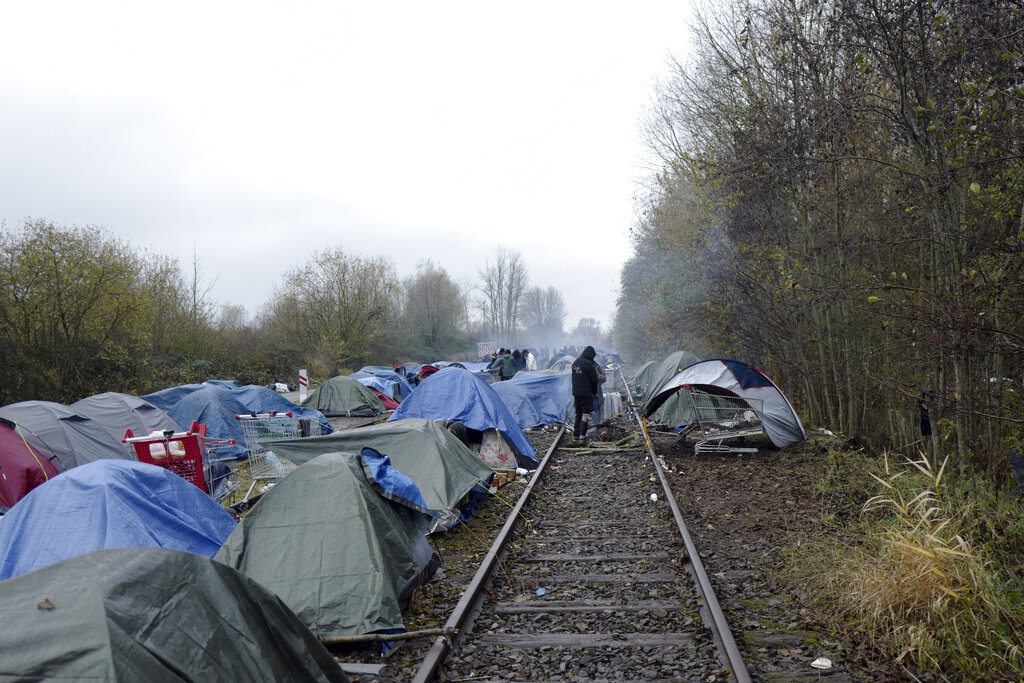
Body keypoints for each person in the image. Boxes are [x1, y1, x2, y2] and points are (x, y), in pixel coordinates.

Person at [571, 345, 600, 443]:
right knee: (586, 414)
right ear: (591, 355)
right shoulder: (589, 364)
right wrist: (595, 392)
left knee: (578, 414)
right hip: (586, 394)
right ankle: (582, 437)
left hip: (576, 393)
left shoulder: (576, 362)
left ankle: (575, 435)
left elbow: (573, 378)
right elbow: (594, 379)